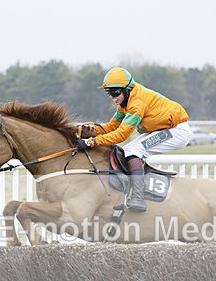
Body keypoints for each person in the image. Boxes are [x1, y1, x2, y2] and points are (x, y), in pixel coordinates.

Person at [74, 67, 191, 212]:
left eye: (115, 92)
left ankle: (138, 197)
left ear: (127, 89)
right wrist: (90, 129)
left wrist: (90, 142)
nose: (113, 97)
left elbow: (121, 135)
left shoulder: (136, 104)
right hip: (164, 128)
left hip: (177, 131)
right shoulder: (125, 102)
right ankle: (131, 191)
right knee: (127, 150)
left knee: (134, 150)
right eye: (109, 92)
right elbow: (112, 126)